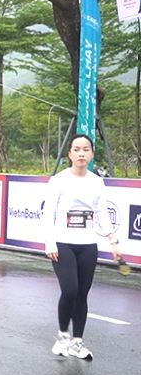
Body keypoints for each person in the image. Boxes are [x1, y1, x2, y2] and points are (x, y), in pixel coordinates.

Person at [43, 134, 122, 360]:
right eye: (76, 149)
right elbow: (48, 212)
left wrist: (113, 241)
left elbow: (102, 213)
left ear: (91, 153)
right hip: (62, 242)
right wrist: (49, 241)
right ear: (69, 154)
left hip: (88, 244)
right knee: (70, 289)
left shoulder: (96, 181)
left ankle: (77, 342)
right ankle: (62, 338)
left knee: (82, 294)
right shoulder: (58, 180)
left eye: (85, 149)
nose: (81, 153)